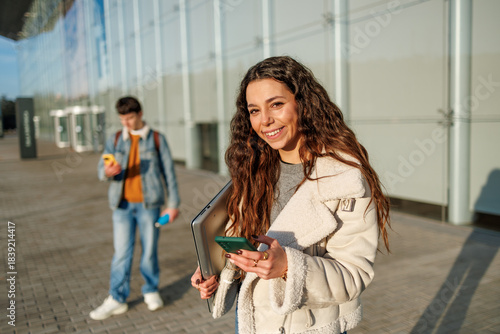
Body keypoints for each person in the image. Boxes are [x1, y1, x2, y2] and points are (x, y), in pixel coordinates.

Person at [190, 56, 390, 334]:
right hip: (252, 321)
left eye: (276, 104)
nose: (265, 120)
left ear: (303, 104)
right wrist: (216, 270)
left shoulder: (344, 178)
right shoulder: (253, 169)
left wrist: (288, 266)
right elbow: (244, 244)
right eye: (254, 110)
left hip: (307, 326)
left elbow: (354, 275)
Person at [90, 96, 180, 320]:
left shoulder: (157, 139)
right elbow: (102, 168)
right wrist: (107, 172)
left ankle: (150, 290)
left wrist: (173, 205)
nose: (126, 123)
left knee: (149, 251)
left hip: (149, 205)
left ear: (140, 114)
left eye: (129, 118)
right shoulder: (116, 138)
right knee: (121, 253)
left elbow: (169, 174)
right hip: (121, 205)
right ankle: (117, 298)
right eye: (122, 119)